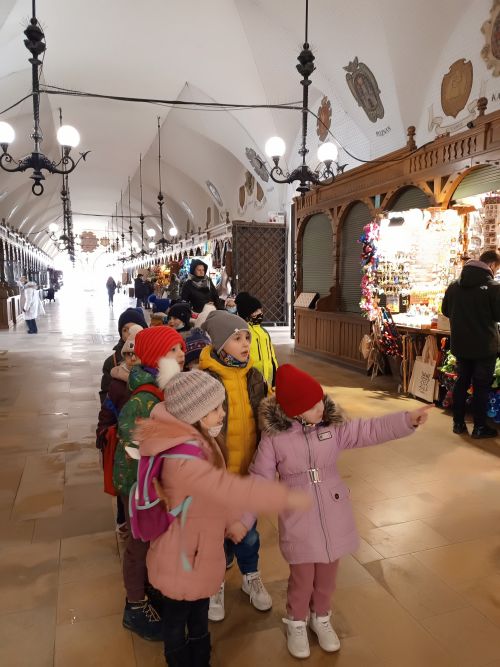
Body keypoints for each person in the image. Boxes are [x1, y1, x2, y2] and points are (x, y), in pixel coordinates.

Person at [245, 363, 431, 658]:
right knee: (302, 579)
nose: (320, 408)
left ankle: (321, 617)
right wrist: (243, 518)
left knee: (327, 579)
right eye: (311, 406)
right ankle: (296, 621)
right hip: (299, 520)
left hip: (334, 515)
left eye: (320, 400)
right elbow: (259, 479)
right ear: (294, 411)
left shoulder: (331, 427)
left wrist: (406, 420)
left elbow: (369, 430)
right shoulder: (274, 439)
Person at [134, 359, 309, 666]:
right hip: (183, 556)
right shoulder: (183, 458)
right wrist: (280, 496)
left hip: (199, 550)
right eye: (216, 408)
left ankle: (201, 659)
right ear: (195, 415)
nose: (223, 413)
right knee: (177, 622)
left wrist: (232, 521)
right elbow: (223, 489)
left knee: (198, 617)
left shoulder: (200, 441)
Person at [113, 326, 186, 641]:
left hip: (152, 482)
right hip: (137, 485)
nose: (181, 354)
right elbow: (130, 435)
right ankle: (135, 605)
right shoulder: (144, 397)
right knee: (139, 543)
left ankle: (149, 587)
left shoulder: (164, 387)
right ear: (156, 357)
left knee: (153, 537)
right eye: (173, 350)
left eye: (181, 348)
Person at [199, 310, 271, 621]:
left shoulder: (255, 376)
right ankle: (215, 582)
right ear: (219, 344)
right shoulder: (206, 380)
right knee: (216, 532)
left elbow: (266, 414)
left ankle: (250, 576)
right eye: (237, 339)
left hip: (249, 472)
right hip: (218, 474)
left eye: (247, 338)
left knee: (249, 532)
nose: (245, 344)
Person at [442, 249, 500, 438]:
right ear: (492, 265)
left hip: (461, 345)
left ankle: (458, 423)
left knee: (462, 382)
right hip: (484, 347)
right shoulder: (493, 287)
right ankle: (479, 427)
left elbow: (445, 311)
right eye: (496, 269)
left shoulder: (454, 286)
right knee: (481, 386)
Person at [95, 331, 141, 540]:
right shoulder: (117, 384)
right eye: (128, 354)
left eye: (136, 354)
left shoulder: (146, 381)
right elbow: (107, 411)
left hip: (140, 440)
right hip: (121, 441)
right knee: (123, 482)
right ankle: (123, 519)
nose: (132, 358)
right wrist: (102, 433)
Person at [99, 308, 147, 405]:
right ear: (121, 334)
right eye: (125, 330)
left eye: (134, 329)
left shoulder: (154, 356)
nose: (130, 333)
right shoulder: (112, 361)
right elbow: (105, 393)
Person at [236, 292, 279, 388]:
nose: (260, 313)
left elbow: (272, 355)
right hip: (252, 379)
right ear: (247, 315)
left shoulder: (264, 332)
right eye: (255, 311)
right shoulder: (244, 333)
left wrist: (276, 370)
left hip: (269, 377)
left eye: (260, 310)